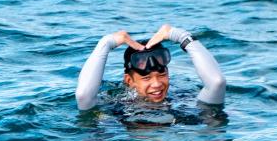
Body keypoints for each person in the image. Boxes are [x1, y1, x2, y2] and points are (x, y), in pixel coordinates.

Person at [75, 23, 227, 111]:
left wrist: (180, 36)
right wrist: (106, 42)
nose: (157, 84)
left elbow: (216, 83)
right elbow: (83, 96)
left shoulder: (183, 102)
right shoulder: (115, 106)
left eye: (161, 75)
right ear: (129, 80)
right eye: (146, 77)